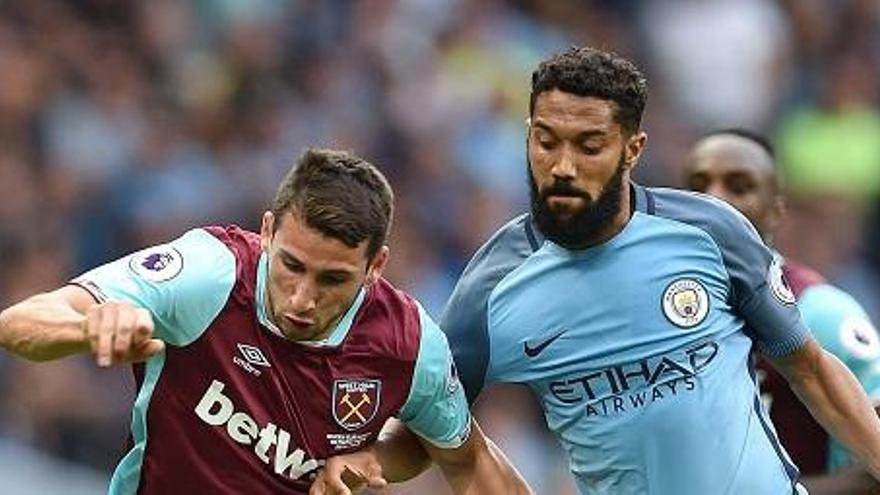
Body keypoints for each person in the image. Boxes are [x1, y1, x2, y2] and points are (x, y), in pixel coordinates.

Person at [315, 46, 880, 495]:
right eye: (545, 141)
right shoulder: (493, 288)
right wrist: (372, 459)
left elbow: (810, 369)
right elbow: (427, 429)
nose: (562, 166)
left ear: (632, 150)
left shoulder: (711, 232)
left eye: (589, 146)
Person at [0, 148, 531, 495]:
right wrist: (87, 326)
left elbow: (465, 461)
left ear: (377, 267)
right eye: (291, 266)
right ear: (269, 231)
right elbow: (20, 322)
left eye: (332, 280)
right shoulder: (210, 275)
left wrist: (377, 459)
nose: (302, 298)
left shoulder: (409, 346)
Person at [684, 129, 880, 494]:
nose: (713, 199)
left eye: (739, 186)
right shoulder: (658, 310)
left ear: (776, 212)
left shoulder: (820, 311)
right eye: (699, 184)